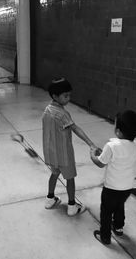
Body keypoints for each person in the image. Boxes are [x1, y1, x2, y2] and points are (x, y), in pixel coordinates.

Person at [42, 77, 98, 216]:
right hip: (64, 154)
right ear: (55, 96)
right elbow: (75, 128)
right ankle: (72, 206)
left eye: (69, 95)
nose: (68, 98)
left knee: (54, 174)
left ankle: (50, 199)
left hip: (51, 153)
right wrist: (90, 143)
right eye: (65, 96)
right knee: (70, 179)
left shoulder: (47, 110)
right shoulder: (62, 113)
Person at [90, 110, 136, 245]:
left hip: (111, 188)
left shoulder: (111, 146)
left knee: (106, 212)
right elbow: (121, 156)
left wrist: (92, 155)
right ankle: (118, 228)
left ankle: (105, 236)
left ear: (118, 131)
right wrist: (106, 155)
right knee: (120, 206)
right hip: (126, 187)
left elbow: (101, 163)